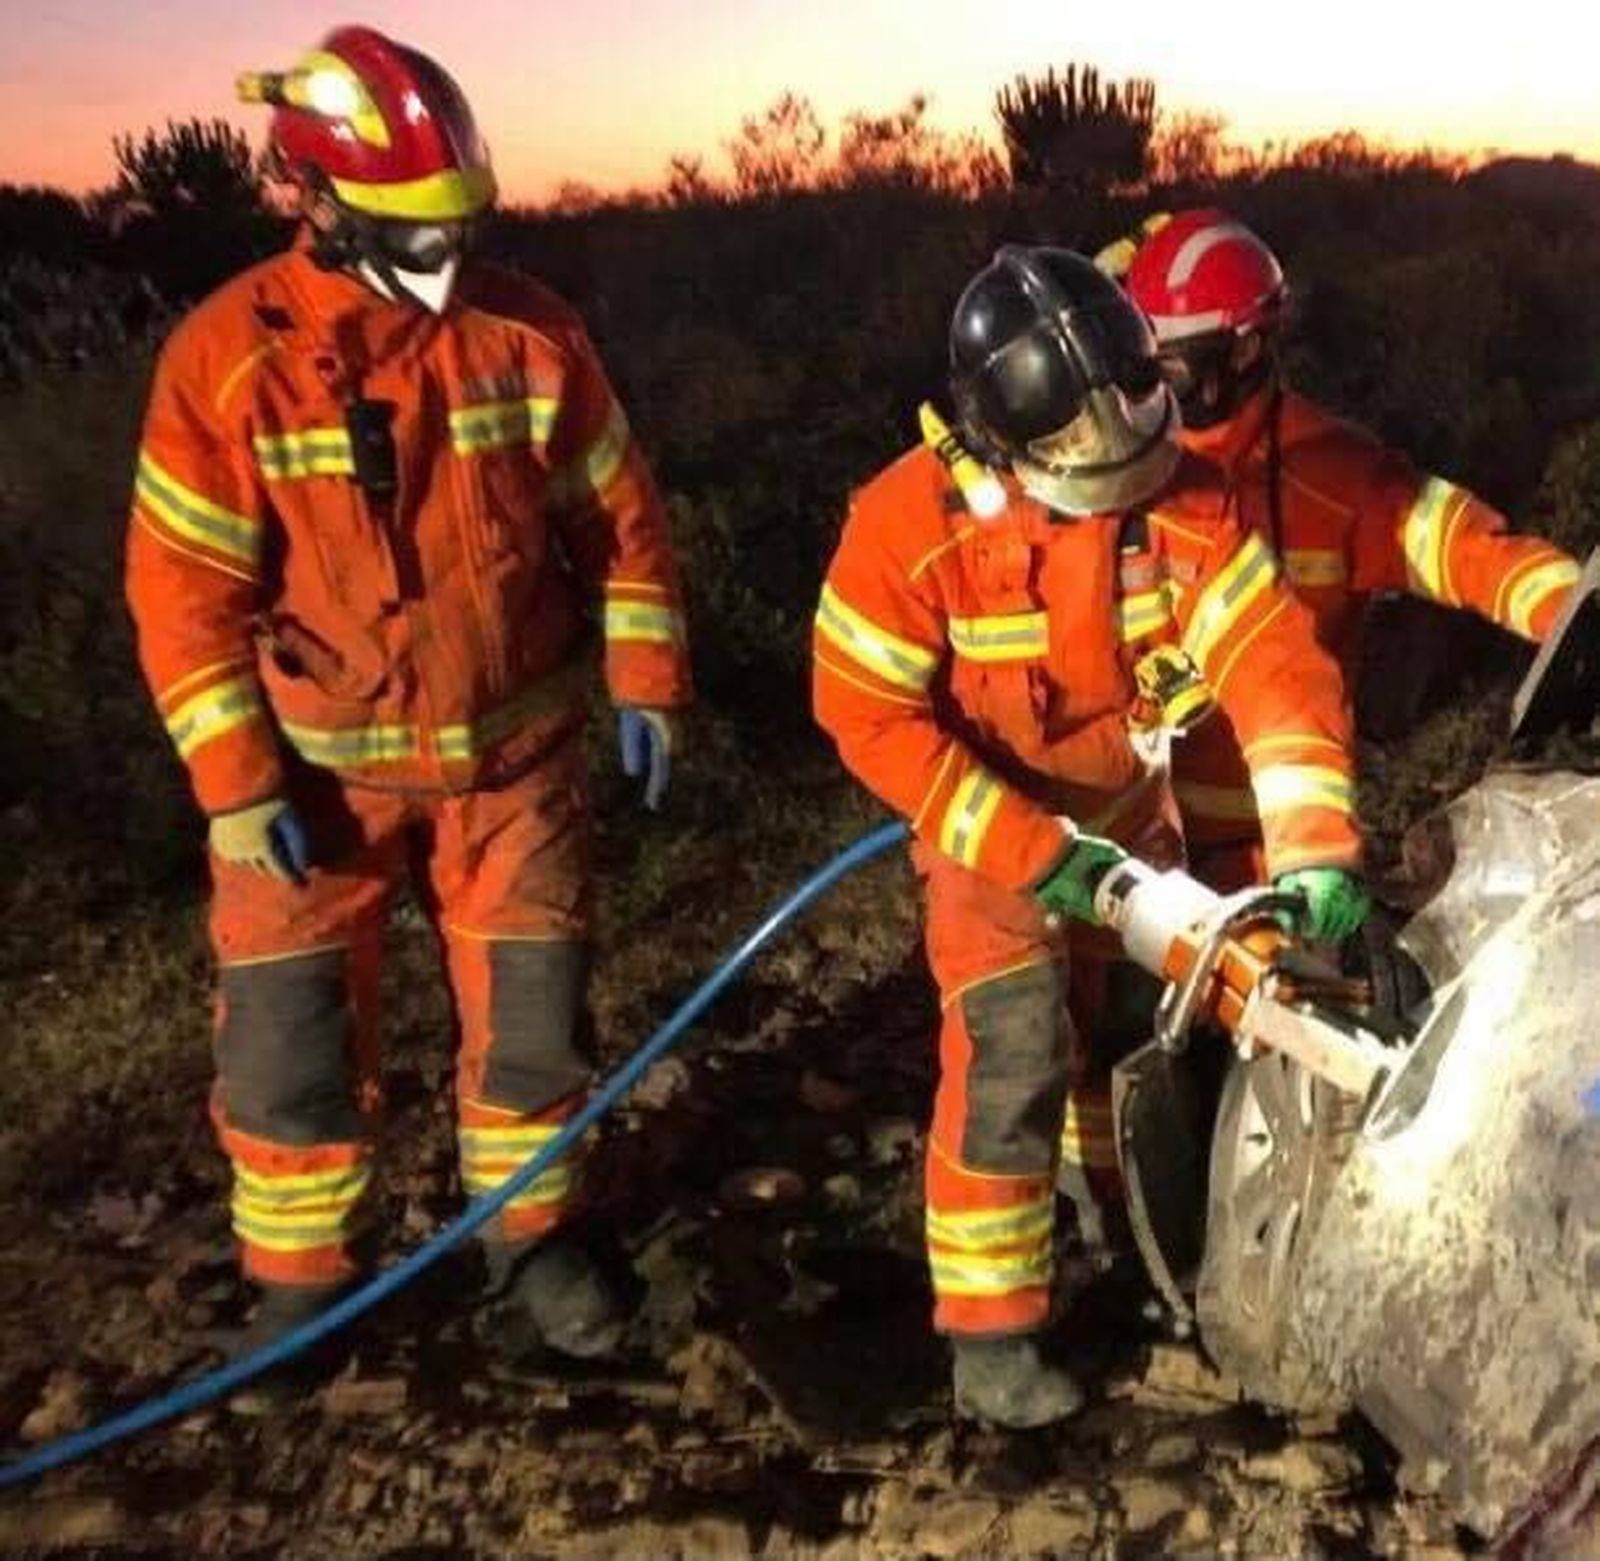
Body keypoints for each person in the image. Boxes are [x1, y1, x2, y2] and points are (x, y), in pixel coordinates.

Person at [124, 26, 691, 1396]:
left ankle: (535, 1242)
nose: (441, 258)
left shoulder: (531, 337)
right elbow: (183, 590)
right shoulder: (226, 364)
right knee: (292, 1037)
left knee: (537, 1025)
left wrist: (646, 681)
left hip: (520, 764)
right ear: (310, 201)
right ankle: (303, 1289)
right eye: (404, 227)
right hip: (314, 787)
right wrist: (235, 780)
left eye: (457, 224)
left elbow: (623, 528)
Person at [812, 246, 1368, 1427]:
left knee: (1135, 1044)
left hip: (1130, 829)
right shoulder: (904, 528)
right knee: (1011, 1062)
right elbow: (866, 716)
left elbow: (1273, 668)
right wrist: (1034, 851)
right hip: (988, 850)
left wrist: (1315, 845)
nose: (1125, 495)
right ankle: (992, 1335)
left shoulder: (1179, 495)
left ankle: (1128, 1236)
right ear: (997, 445)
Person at [1114, 208, 1581, 898]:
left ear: (1243, 349)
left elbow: (1478, 553)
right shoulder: (1115, 469)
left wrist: (1578, 616)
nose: (1151, 384)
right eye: (1139, 357)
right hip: (1130, 838)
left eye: (1172, 363)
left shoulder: (1336, 477)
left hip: (1278, 845)